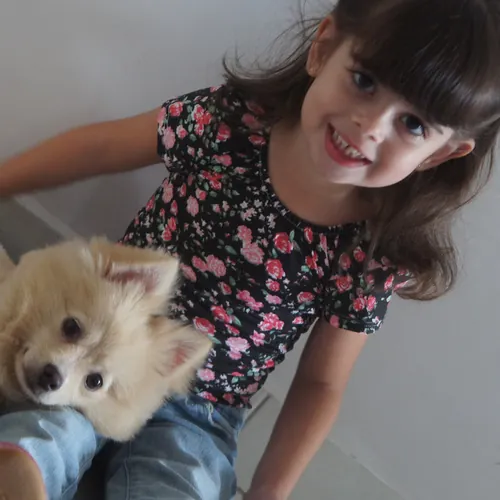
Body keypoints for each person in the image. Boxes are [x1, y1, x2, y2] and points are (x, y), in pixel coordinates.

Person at [0, 0, 499, 498]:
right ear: (323, 49)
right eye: (365, 81)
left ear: (439, 154)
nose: (371, 125)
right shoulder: (232, 122)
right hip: (94, 349)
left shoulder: (371, 253)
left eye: (413, 124)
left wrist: (269, 491)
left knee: (178, 485)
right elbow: (103, 147)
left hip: (202, 409)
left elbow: (321, 384)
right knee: (35, 442)